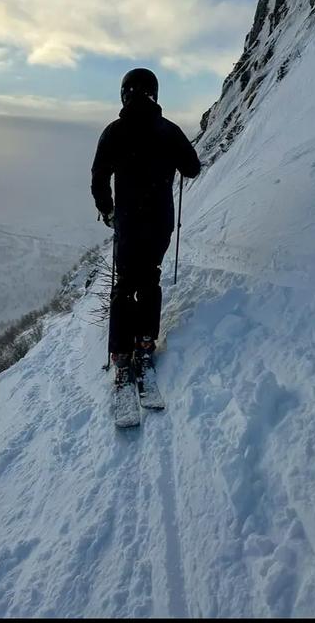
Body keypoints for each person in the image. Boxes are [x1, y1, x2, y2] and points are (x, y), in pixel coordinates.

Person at [90, 67, 200, 388]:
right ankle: (144, 343)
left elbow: (99, 176)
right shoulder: (169, 131)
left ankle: (120, 353)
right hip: (160, 220)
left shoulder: (114, 132)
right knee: (150, 276)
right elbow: (192, 168)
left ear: (125, 94)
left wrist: (107, 209)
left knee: (125, 282)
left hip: (127, 221)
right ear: (155, 93)